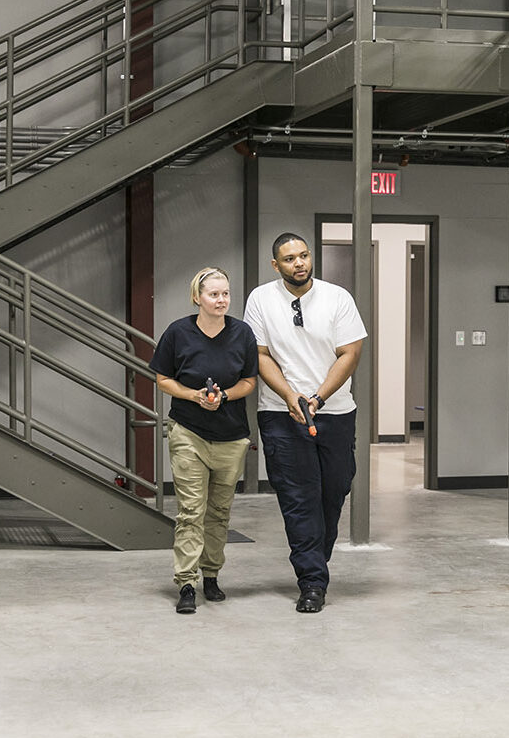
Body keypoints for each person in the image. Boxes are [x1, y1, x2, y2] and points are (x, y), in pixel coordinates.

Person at [242, 233, 366, 613]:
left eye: (304, 255)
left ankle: (316, 563)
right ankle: (312, 581)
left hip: (335, 411)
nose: (299, 263)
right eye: (289, 258)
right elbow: (260, 355)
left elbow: (350, 352)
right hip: (281, 414)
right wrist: (290, 397)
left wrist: (318, 397)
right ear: (276, 265)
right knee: (299, 499)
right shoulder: (261, 299)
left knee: (334, 490)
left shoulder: (337, 298)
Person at [150, 267, 258, 615]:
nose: (221, 300)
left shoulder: (242, 334)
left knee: (219, 512)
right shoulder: (178, 333)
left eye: (225, 293)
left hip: (231, 436)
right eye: (213, 294)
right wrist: (194, 396)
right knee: (191, 511)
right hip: (188, 432)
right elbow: (163, 379)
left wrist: (223, 396)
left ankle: (211, 575)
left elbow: (249, 382)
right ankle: (186, 581)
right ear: (197, 297)